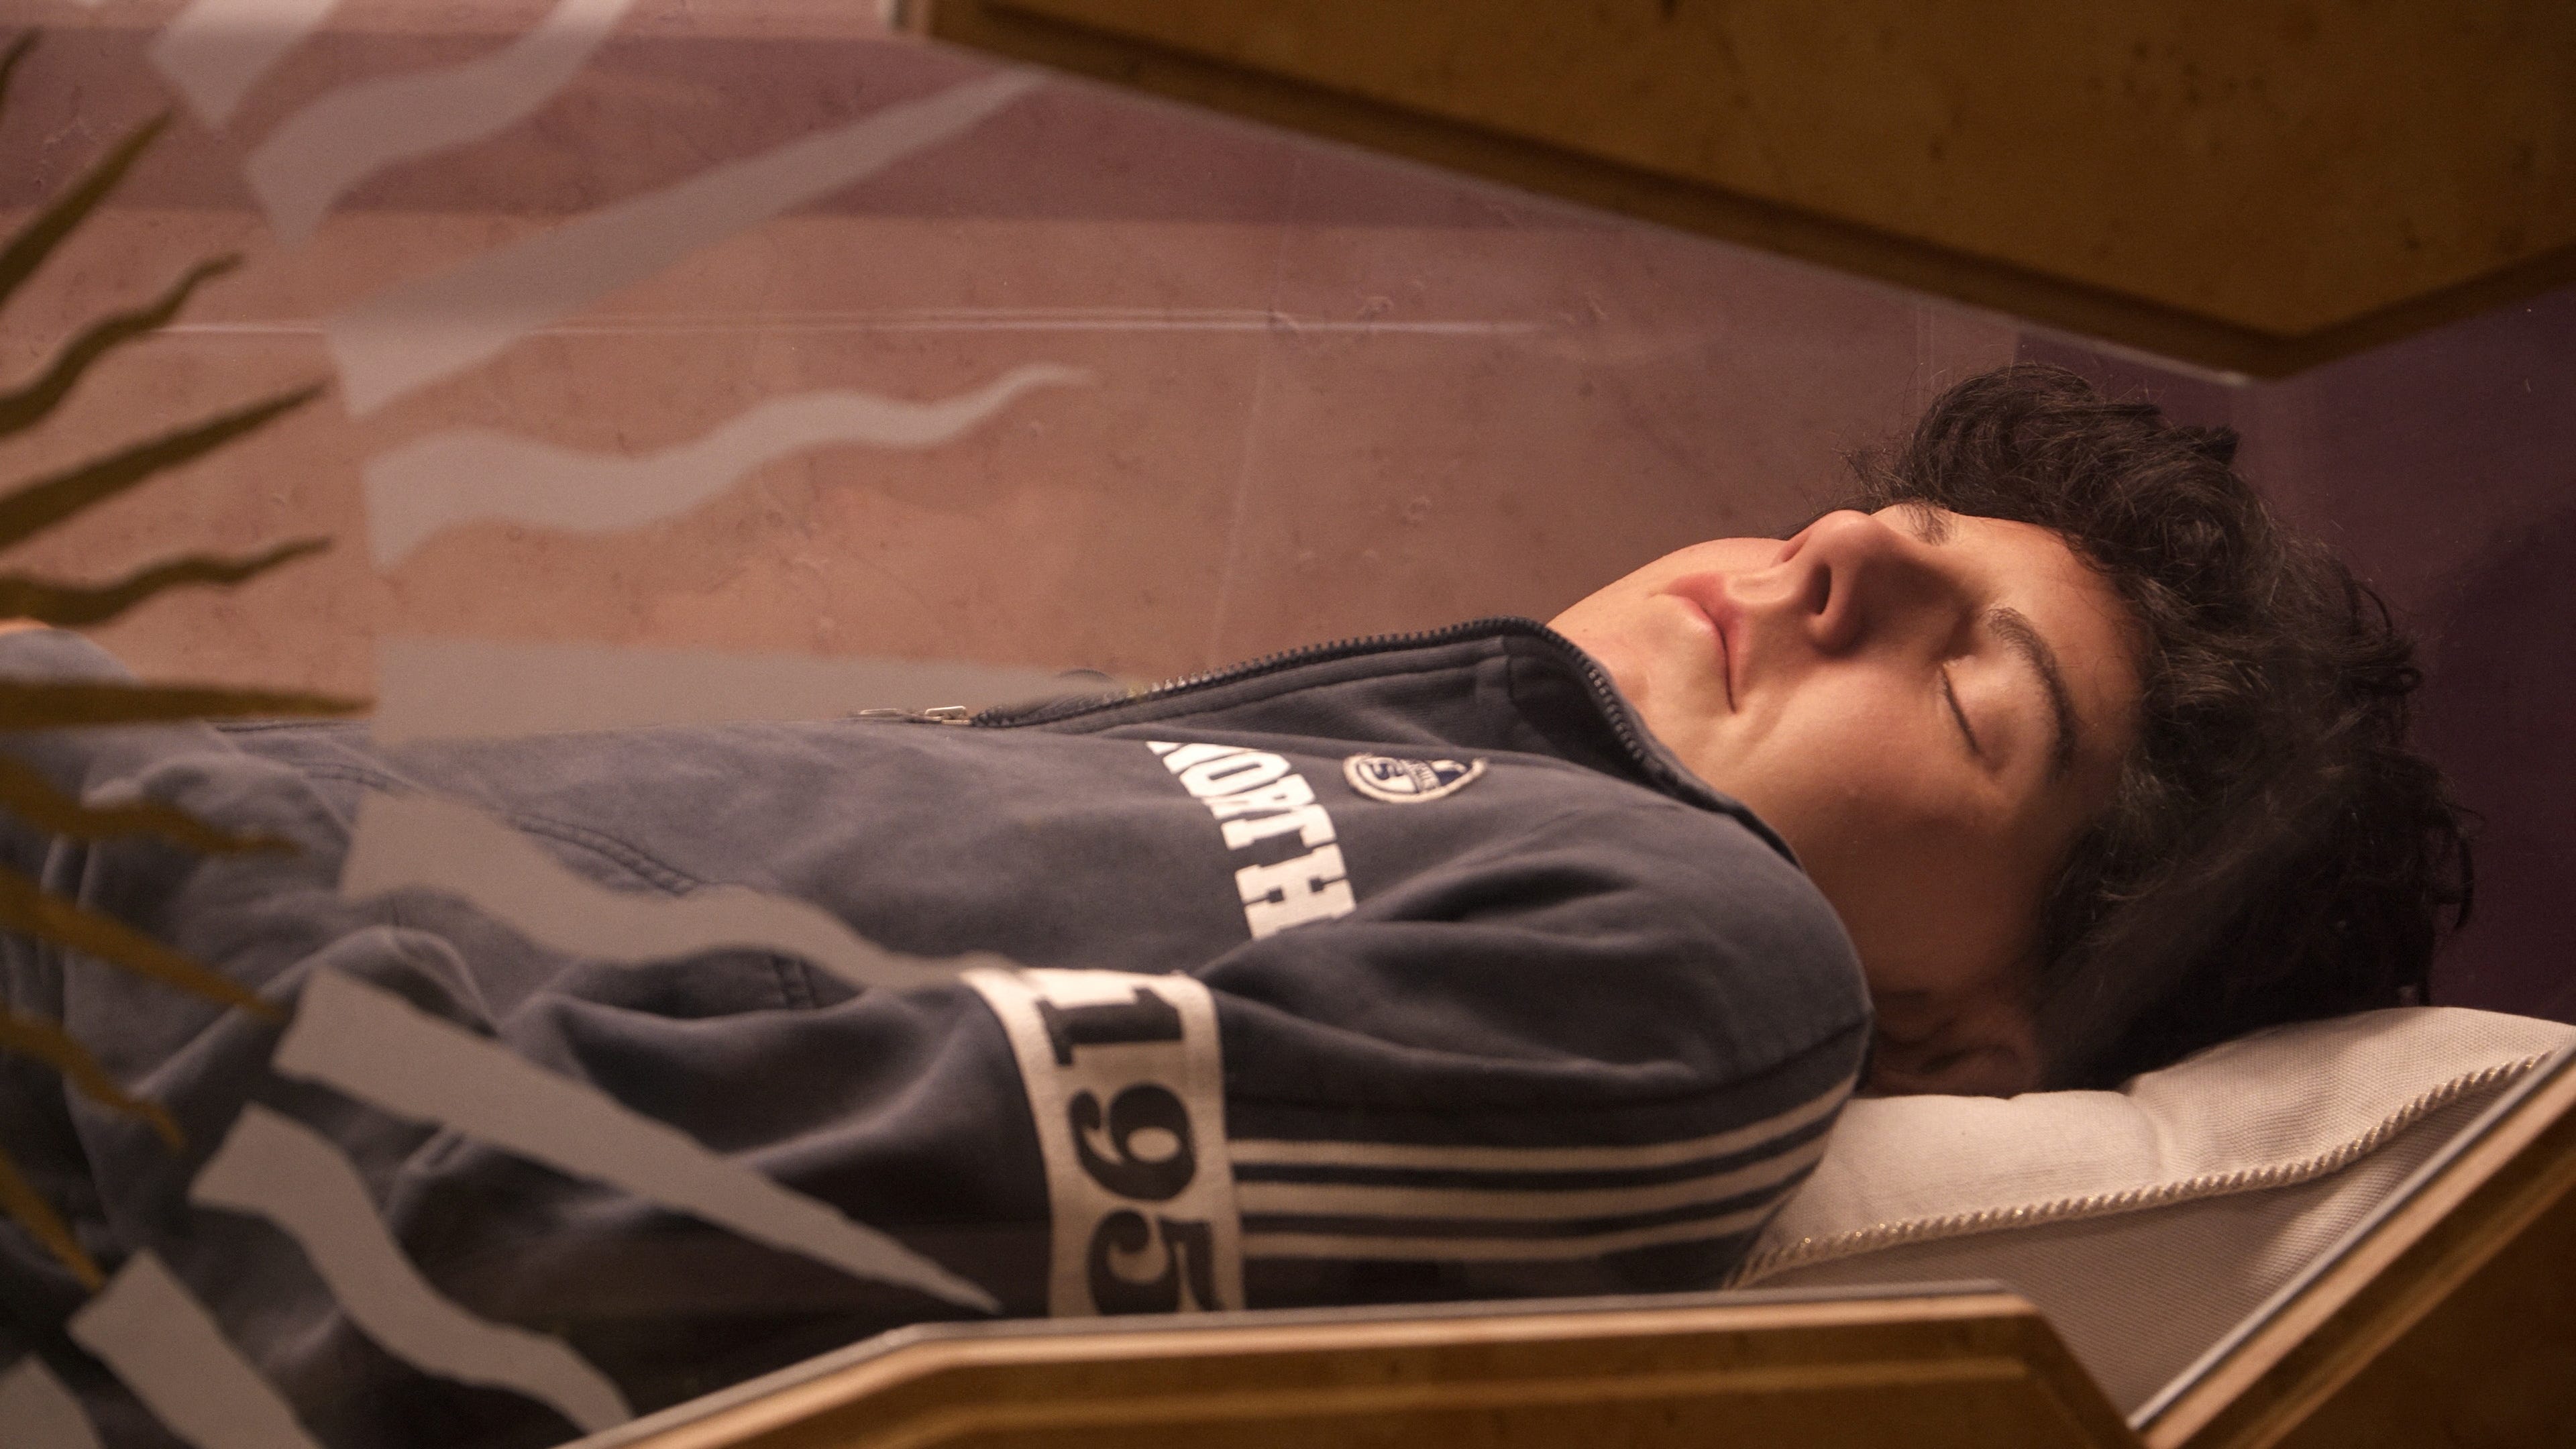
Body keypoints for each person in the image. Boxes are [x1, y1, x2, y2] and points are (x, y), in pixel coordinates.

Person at [0, 366, 2468, 1448]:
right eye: (1888, 538)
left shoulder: (1704, 972)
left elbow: (565, 1242)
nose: (1834, 559)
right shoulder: (1440, 771)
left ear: (1967, 1045)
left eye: (1973, 696)